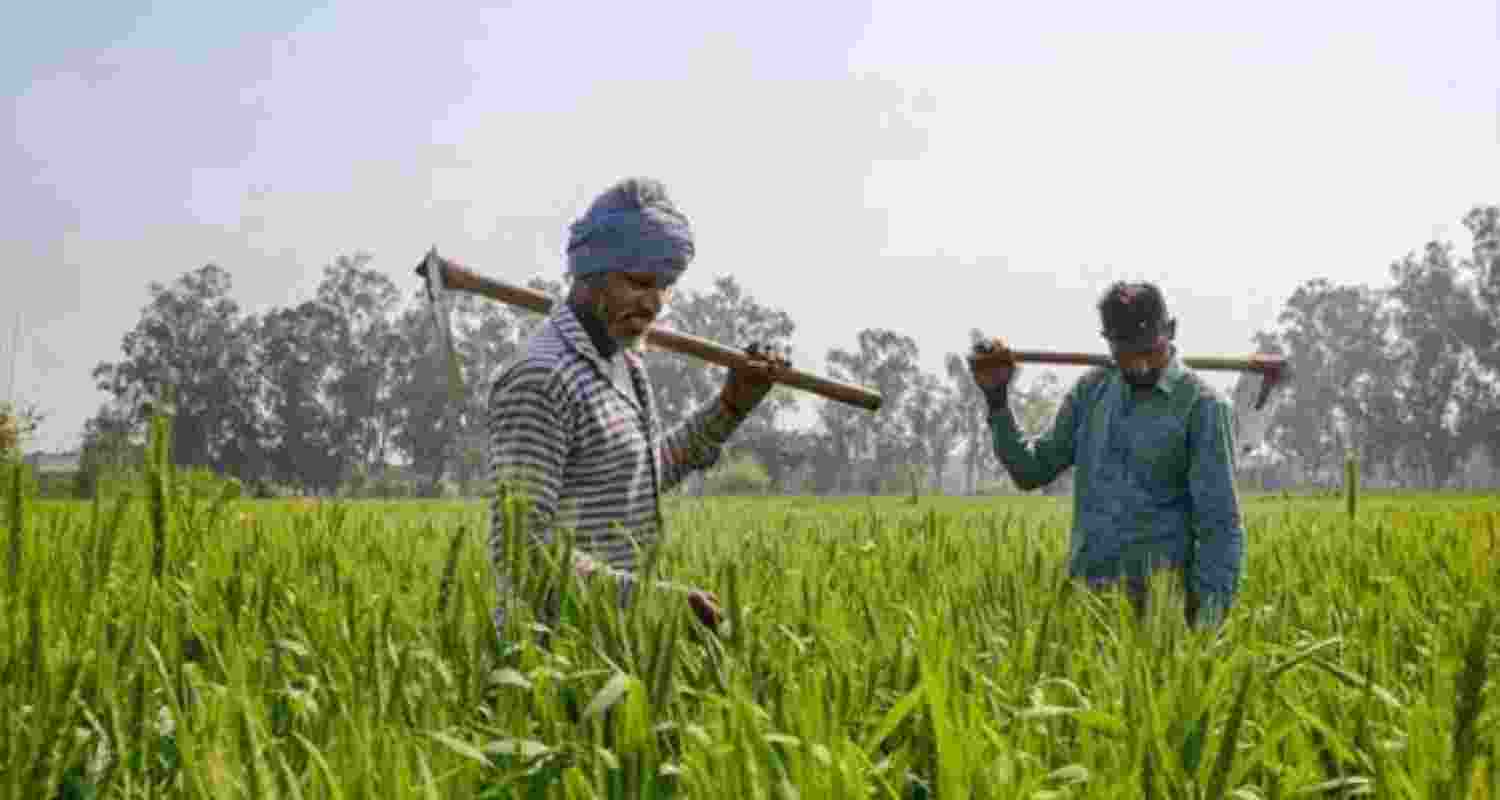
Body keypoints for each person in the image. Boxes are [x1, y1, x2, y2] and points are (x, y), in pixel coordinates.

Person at [485, 176, 787, 642]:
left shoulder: (623, 360)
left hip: (612, 646)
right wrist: (649, 599)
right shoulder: (541, 379)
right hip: (546, 661)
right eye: (640, 283)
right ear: (591, 273)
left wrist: (732, 404)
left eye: (664, 286)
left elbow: (638, 477)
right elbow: (521, 550)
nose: (654, 303)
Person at [968, 281, 1245, 628]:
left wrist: (1207, 623)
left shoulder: (1201, 407)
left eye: (1149, 351)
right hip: (1088, 602)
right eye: (1127, 356)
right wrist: (997, 399)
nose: (1141, 367)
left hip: (1162, 612)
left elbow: (1220, 525)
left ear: (1171, 330)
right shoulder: (1091, 393)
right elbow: (1031, 471)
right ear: (1108, 342)